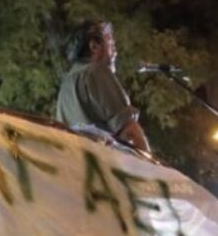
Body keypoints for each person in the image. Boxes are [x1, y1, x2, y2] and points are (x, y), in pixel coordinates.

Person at [56, 20, 150, 153]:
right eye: (111, 44)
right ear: (94, 46)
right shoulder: (96, 72)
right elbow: (130, 132)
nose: (115, 52)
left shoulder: (66, 86)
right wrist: (151, 171)